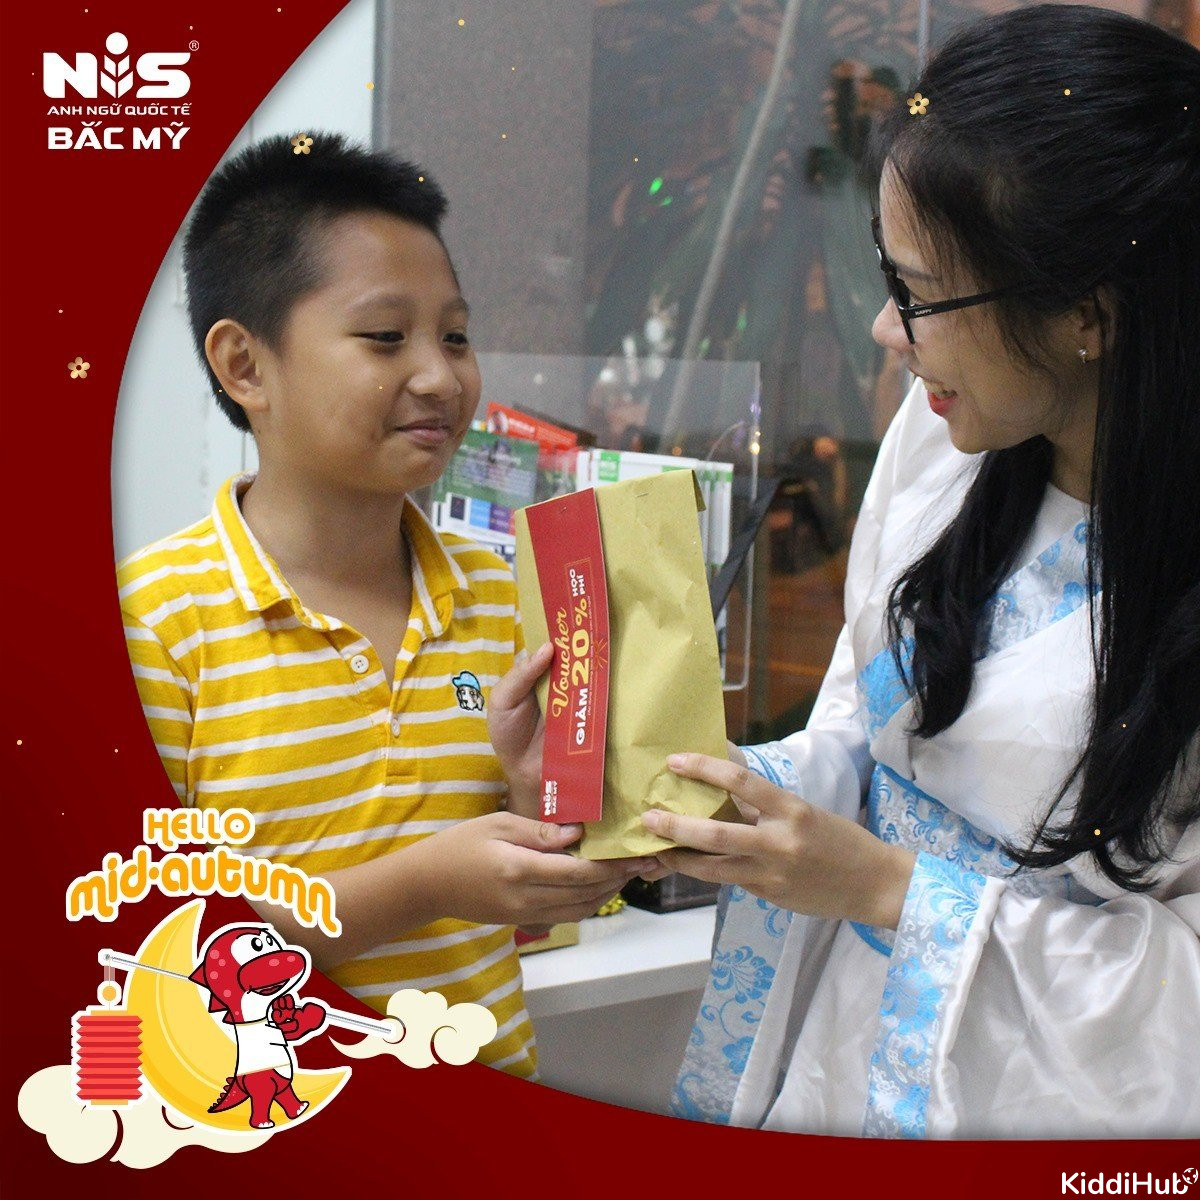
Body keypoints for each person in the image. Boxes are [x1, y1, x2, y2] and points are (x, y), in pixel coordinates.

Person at [494, 3, 1200, 1131]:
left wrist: (887, 890)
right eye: (887, 276)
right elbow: (859, 741)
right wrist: (657, 782)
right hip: (845, 1043)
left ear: (1088, 313)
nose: (884, 330)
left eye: (921, 295)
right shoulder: (944, 442)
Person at [117, 133, 653, 1080]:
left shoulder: (511, 594)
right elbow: (148, 953)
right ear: (245, 365)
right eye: (384, 337)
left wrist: (547, 808)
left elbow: (537, 904)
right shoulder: (154, 625)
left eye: (455, 336)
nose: (441, 377)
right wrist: (423, 885)